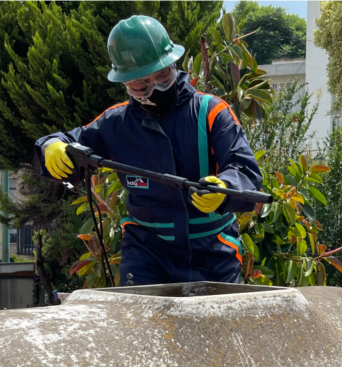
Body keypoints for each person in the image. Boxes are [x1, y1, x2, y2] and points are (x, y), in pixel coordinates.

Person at [36, 15, 262, 287]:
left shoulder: (212, 112)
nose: (154, 88)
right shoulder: (115, 123)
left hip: (212, 249)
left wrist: (225, 188)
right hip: (146, 251)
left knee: (220, 326)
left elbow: (245, 171)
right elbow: (69, 141)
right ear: (124, 82)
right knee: (136, 323)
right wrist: (50, 145)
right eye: (141, 84)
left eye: (162, 76)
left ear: (174, 64)